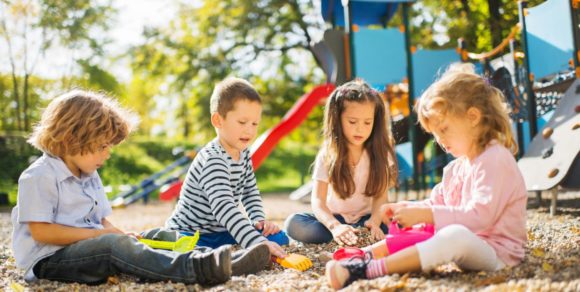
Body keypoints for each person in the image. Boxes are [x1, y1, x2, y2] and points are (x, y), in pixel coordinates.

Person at [11, 90, 248, 285]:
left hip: (90, 246)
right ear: (72, 138)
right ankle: (197, 268)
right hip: (50, 260)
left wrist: (120, 234)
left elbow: (101, 221)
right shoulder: (39, 175)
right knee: (113, 246)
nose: (108, 153)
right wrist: (104, 236)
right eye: (102, 146)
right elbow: (43, 232)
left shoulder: (89, 173)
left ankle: (207, 258)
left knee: (152, 236)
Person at [325, 63, 528, 289]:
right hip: (467, 243)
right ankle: (364, 255)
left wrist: (427, 213)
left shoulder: (495, 158)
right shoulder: (456, 167)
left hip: (497, 253)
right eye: (435, 134)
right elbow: (438, 203)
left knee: (452, 233)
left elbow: (481, 216)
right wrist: (407, 208)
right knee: (421, 226)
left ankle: (367, 270)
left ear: (473, 117)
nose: (440, 141)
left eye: (444, 130)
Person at [165, 77, 288, 258]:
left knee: (279, 238)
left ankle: (226, 251)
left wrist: (258, 221)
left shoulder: (244, 153)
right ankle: (215, 258)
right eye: (242, 122)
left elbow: (249, 191)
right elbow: (224, 207)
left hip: (221, 231)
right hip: (190, 232)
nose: (250, 130)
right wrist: (257, 242)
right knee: (193, 254)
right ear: (218, 120)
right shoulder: (213, 159)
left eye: (255, 124)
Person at [285, 79, 398, 245]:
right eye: (352, 122)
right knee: (294, 224)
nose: (360, 129)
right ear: (337, 120)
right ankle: (346, 234)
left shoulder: (380, 154)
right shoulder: (327, 154)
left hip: (367, 220)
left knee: (401, 221)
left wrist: (374, 222)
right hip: (334, 219)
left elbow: (381, 197)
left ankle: (358, 234)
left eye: (368, 122)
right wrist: (335, 226)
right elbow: (318, 201)